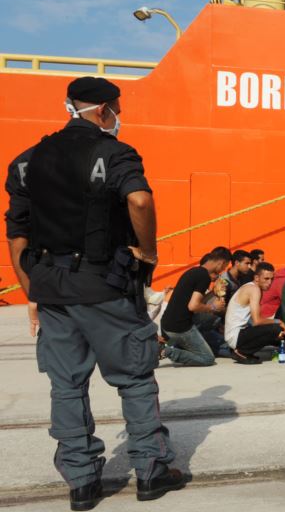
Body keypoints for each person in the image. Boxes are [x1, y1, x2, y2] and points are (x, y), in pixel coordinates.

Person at [4, 76, 183, 508]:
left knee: (66, 387)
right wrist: (149, 253)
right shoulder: (115, 153)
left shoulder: (25, 162)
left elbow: (17, 236)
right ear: (103, 111)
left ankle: (82, 483)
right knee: (135, 379)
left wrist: (33, 292)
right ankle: (150, 472)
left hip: (52, 289)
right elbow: (139, 202)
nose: (119, 118)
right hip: (104, 288)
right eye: (117, 109)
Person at [160, 251, 228, 366]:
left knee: (209, 318)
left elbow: (195, 301)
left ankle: (175, 345)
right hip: (180, 327)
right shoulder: (204, 276)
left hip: (167, 324)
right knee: (207, 358)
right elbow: (193, 306)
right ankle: (167, 351)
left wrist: (213, 292)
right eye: (224, 267)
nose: (222, 271)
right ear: (221, 263)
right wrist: (213, 307)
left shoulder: (194, 272)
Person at [224, 262, 285, 364]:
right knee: (276, 328)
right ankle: (241, 352)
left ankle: (246, 350)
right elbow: (257, 321)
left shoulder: (253, 288)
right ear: (257, 278)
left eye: (271, 279)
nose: (269, 282)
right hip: (236, 336)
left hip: (238, 333)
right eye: (266, 279)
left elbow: (255, 319)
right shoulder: (254, 289)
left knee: (275, 327)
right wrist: (278, 321)